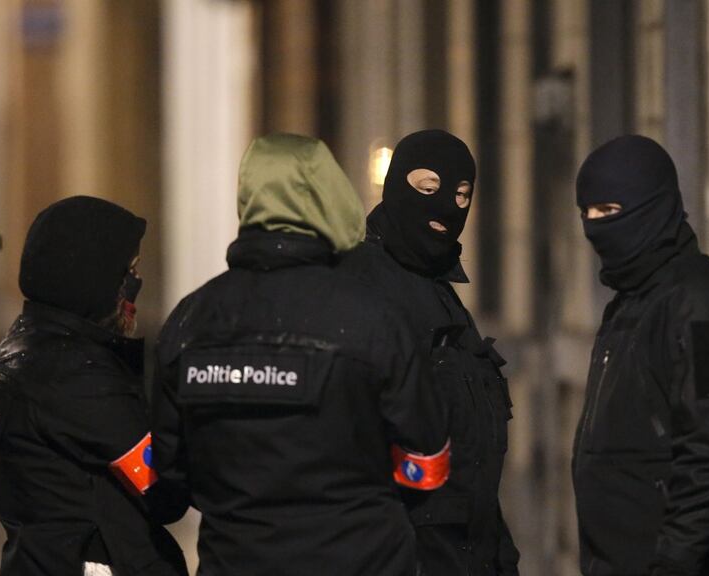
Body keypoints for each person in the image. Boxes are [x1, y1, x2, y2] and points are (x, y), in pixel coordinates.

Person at [150, 133, 450, 576]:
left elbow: (170, 476)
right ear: (328, 196)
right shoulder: (373, 319)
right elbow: (427, 464)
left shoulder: (189, 323)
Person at [572, 135, 709, 576]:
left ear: (653, 204)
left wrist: (671, 562)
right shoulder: (631, 303)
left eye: (611, 212)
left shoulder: (706, 305)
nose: (595, 225)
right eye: (587, 213)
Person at [341, 129, 519, 575]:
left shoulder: (440, 294)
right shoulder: (362, 290)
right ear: (398, 185)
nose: (446, 208)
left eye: (461, 196)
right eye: (427, 189)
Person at [0, 196, 187, 576]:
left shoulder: (23, 347)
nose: (135, 286)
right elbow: (165, 491)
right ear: (95, 277)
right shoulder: (78, 378)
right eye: (129, 272)